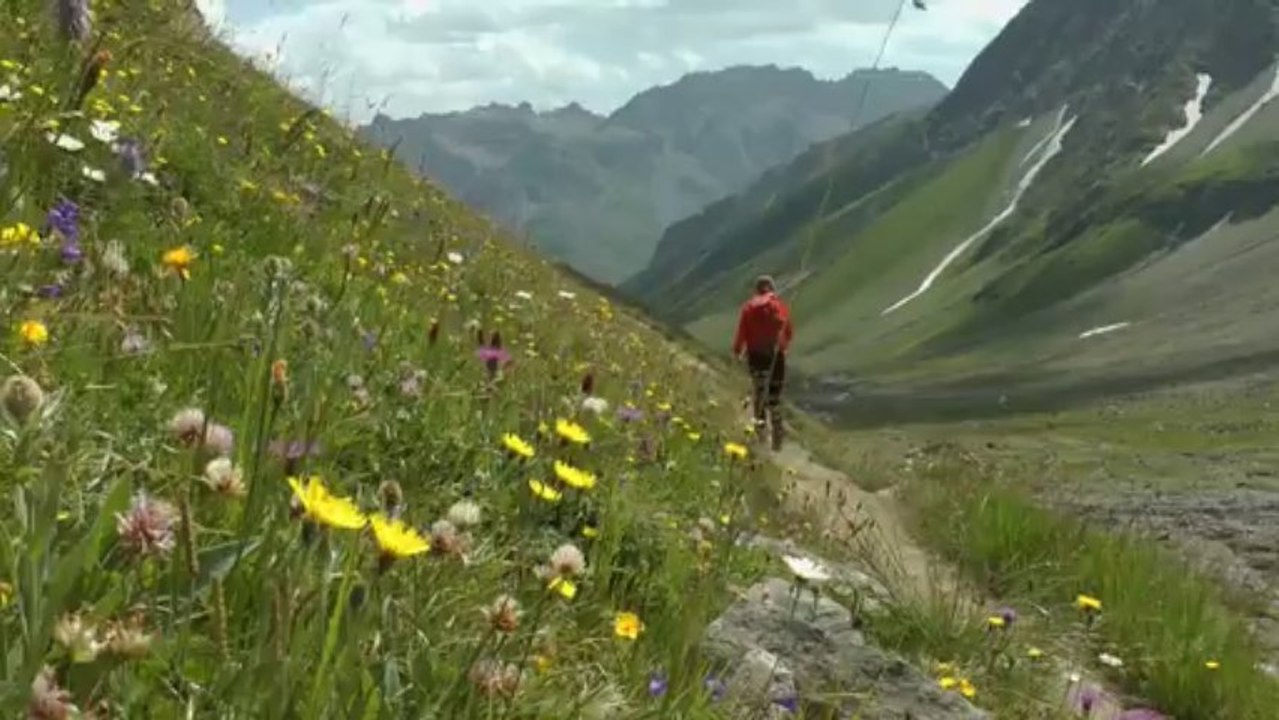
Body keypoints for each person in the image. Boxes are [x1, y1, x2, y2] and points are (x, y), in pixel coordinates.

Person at [732, 275, 793, 451]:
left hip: (756, 357)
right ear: (772, 289)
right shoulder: (779, 306)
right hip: (776, 356)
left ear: (757, 290)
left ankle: (761, 435)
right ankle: (778, 437)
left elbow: (741, 333)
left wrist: (737, 351)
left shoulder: (748, 308)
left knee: (759, 394)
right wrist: (783, 347)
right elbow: (788, 331)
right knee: (774, 396)